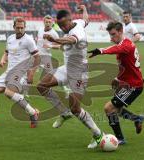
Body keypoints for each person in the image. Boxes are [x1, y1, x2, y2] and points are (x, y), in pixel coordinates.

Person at [37, 5, 103, 147]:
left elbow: (71, 40)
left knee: (76, 108)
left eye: (63, 25)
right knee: (41, 86)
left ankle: (98, 134)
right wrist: (84, 9)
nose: (63, 28)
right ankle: (63, 112)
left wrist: (55, 40)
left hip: (79, 72)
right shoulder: (79, 22)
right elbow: (86, 19)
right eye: (59, 26)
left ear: (69, 20)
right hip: (67, 68)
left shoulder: (76, 30)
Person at [0, 17, 40, 128]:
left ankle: (33, 113)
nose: (20, 30)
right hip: (8, 72)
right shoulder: (10, 38)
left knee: (8, 92)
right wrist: (3, 59)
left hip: (20, 73)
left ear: (25, 27)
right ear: (14, 27)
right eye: (17, 27)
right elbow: (6, 52)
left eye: (22, 28)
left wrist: (31, 73)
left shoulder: (28, 40)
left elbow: (37, 58)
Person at [88, 22, 144, 147]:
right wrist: (117, 78)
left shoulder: (125, 45)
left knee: (109, 108)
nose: (111, 38)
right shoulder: (125, 44)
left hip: (133, 85)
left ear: (120, 31)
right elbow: (126, 65)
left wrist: (100, 50)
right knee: (117, 110)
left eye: (113, 34)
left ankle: (120, 139)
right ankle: (136, 119)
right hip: (129, 84)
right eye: (110, 35)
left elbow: (116, 49)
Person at [36, 15, 71, 100]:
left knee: (51, 76)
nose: (48, 23)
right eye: (46, 22)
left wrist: (50, 46)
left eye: (49, 22)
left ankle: (66, 89)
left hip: (46, 57)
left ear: (52, 23)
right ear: (43, 22)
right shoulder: (40, 30)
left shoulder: (53, 33)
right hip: (37, 56)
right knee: (28, 72)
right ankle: (24, 93)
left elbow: (59, 45)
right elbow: (38, 40)